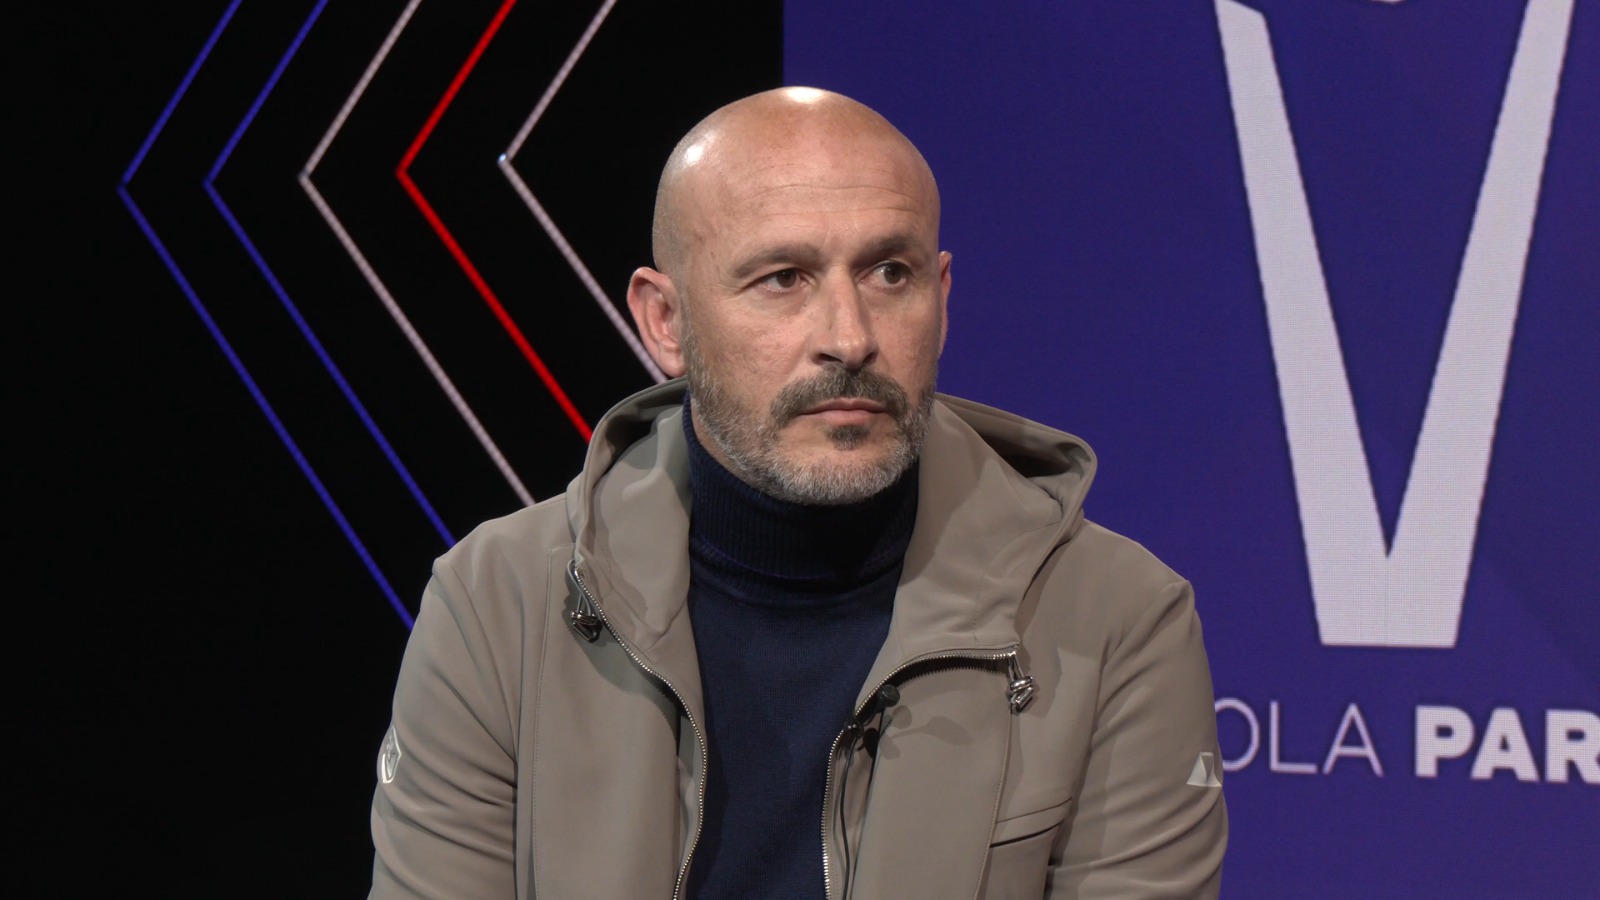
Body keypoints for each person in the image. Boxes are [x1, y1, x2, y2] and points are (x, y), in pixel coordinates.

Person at [369, 87, 1227, 899]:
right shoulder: (498, 604)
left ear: (942, 300)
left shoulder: (1116, 620)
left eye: (889, 273)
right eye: (783, 277)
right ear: (666, 321)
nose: (849, 338)